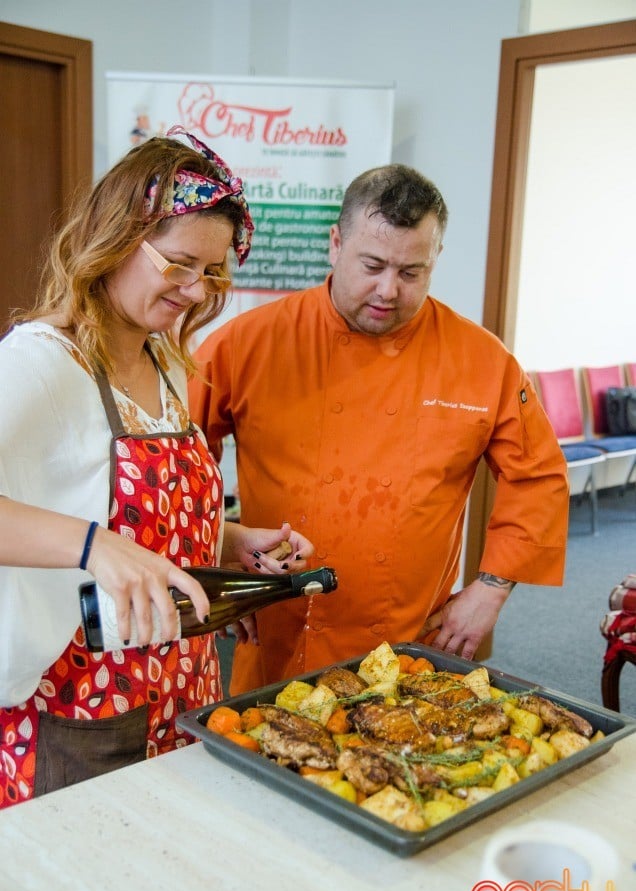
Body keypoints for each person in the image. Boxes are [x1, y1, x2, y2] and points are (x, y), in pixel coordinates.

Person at [0, 125, 312, 808]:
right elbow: (100, 533)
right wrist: (91, 546)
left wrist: (232, 541)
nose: (195, 292)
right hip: (85, 700)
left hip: (183, 682)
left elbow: (136, 520)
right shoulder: (44, 361)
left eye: (211, 272)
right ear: (114, 238)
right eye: (177, 263)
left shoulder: (161, 359)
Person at [190, 163, 569, 695]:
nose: (388, 290)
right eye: (372, 265)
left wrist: (491, 589)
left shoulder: (482, 361)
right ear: (336, 243)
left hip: (409, 639)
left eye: (411, 272)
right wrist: (214, 564)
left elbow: (538, 476)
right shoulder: (248, 342)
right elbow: (178, 459)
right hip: (279, 626)